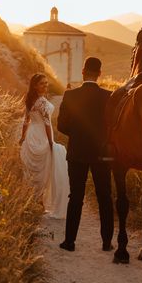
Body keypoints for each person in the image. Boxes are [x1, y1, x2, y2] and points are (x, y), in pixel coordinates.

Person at [57, 57, 114, 252]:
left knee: (76, 196)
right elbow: (113, 127)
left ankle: (70, 241)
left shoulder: (70, 95)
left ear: (83, 72)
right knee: (105, 196)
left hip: (77, 152)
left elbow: (61, 125)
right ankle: (107, 243)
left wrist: (78, 134)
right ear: (99, 73)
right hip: (102, 153)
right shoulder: (109, 96)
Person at [19, 73, 69, 218]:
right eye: (42, 83)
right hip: (41, 136)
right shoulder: (40, 101)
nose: (45, 86)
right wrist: (51, 142)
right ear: (35, 86)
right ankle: (39, 202)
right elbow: (46, 124)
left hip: (32, 135)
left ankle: (38, 202)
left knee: (37, 170)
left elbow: (26, 121)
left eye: (46, 83)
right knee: (44, 169)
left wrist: (23, 137)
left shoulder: (30, 99)